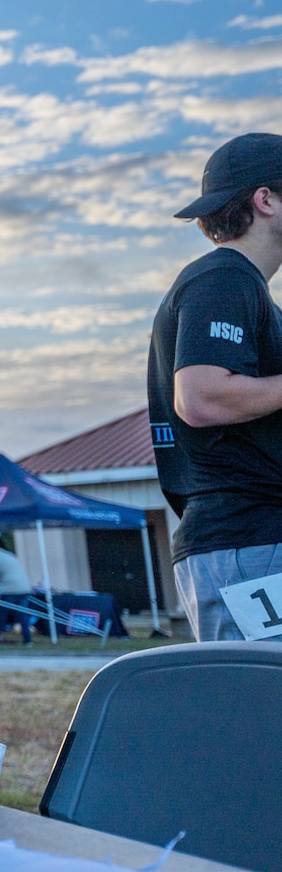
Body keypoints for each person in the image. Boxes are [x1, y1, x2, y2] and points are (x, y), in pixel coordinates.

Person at [147, 133, 282, 642]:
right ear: (265, 199)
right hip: (247, 543)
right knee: (260, 693)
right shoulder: (223, 278)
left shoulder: (243, 287)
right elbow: (201, 397)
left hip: (253, 542)